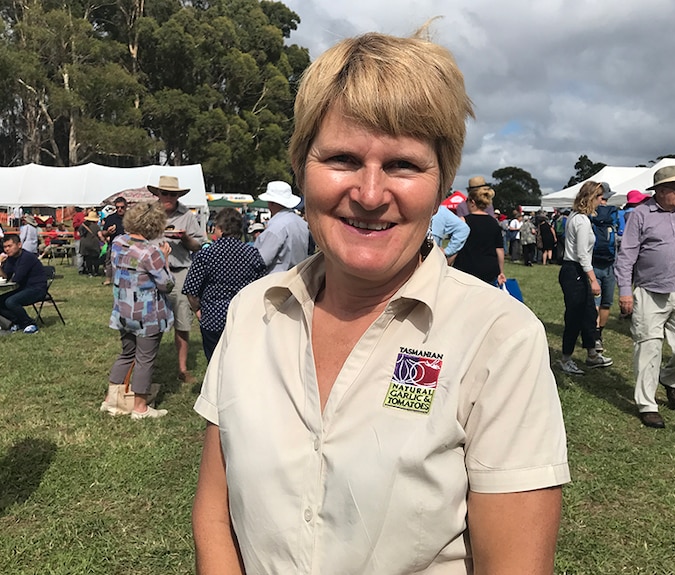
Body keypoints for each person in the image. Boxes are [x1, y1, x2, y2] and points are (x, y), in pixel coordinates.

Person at [192, 30, 569, 575]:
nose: (370, 195)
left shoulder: (499, 337)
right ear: (301, 168)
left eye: (403, 165)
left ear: (441, 185)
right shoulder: (253, 311)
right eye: (342, 158)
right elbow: (215, 512)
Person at [615, 165, 675, 429]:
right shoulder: (641, 214)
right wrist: (624, 291)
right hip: (651, 289)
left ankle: (670, 378)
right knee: (648, 346)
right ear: (661, 191)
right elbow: (627, 254)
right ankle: (647, 404)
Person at [103, 201, 175, 419]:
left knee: (127, 353)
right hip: (147, 314)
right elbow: (166, 284)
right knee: (145, 359)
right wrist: (165, 258)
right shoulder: (151, 252)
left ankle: (110, 400)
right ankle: (140, 407)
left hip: (123, 309)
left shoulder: (118, 242)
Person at [182, 208, 266, 362]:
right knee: (240, 363)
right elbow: (261, 286)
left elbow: (191, 290)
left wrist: (197, 310)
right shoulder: (252, 253)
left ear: (219, 228)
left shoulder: (206, 255)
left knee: (215, 363)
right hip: (243, 316)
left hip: (213, 317)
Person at [149, 175, 205, 384]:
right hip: (153, 271)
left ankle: (182, 369)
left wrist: (184, 238)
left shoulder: (187, 215)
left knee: (183, 321)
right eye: (165, 193)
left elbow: (199, 244)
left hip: (180, 270)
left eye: (173, 194)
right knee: (151, 320)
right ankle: (149, 364)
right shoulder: (149, 213)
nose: (169, 197)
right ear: (158, 194)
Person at [558, 181, 613, 375]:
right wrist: (593, 279)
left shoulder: (579, 217)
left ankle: (592, 354)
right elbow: (582, 254)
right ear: (591, 198)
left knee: (589, 313)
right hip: (575, 271)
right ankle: (565, 358)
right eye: (600, 198)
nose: (602, 201)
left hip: (577, 270)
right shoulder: (580, 220)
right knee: (574, 316)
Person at [0, 234, 47, 334]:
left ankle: (29, 323)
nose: (7, 249)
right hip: (23, 288)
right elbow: (5, 277)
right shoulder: (10, 259)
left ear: (19, 245)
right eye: (5, 247)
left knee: (11, 301)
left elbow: (16, 279)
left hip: (37, 288)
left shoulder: (27, 257)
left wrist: (8, 278)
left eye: (10, 246)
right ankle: (18, 322)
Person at [453, 183, 506, 285]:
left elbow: (455, 246)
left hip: (466, 268)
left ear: (472, 202)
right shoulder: (494, 222)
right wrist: (501, 271)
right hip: (489, 270)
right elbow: (499, 249)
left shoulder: (463, 221)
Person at [253, 180, 310, 273]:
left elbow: (262, 259)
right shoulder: (301, 223)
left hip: (276, 279)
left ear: (271, 203)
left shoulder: (276, 227)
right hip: (297, 275)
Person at [589, 183, 619, 352]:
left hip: (593, 263)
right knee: (606, 302)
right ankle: (599, 334)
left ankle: (593, 334)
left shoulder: (589, 216)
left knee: (595, 301)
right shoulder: (614, 215)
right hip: (610, 263)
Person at [99, 197, 127, 285]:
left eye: (122, 207)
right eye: (117, 207)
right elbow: (103, 232)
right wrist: (108, 232)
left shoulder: (130, 218)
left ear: (126, 207)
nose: (120, 209)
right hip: (114, 245)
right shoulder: (110, 218)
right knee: (110, 262)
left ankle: (124, 279)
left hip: (128, 245)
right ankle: (108, 279)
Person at [78, 210, 103, 276]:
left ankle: (89, 272)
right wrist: (103, 240)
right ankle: (96, 272)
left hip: (84, 244)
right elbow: (100, 235)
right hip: (93, 244)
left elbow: (78, 234)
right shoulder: (96, 226)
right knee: (95, 259)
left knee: (87, 259)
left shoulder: (83, 225)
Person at [71, 207, 86, 273]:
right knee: (79, 254)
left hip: (86, 238)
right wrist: (82, 223)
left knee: (84, 254)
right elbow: (74, 225)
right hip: (79, 237)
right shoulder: (78, 215)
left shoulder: (88, 215)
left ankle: (85, 268)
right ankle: (80, 269)